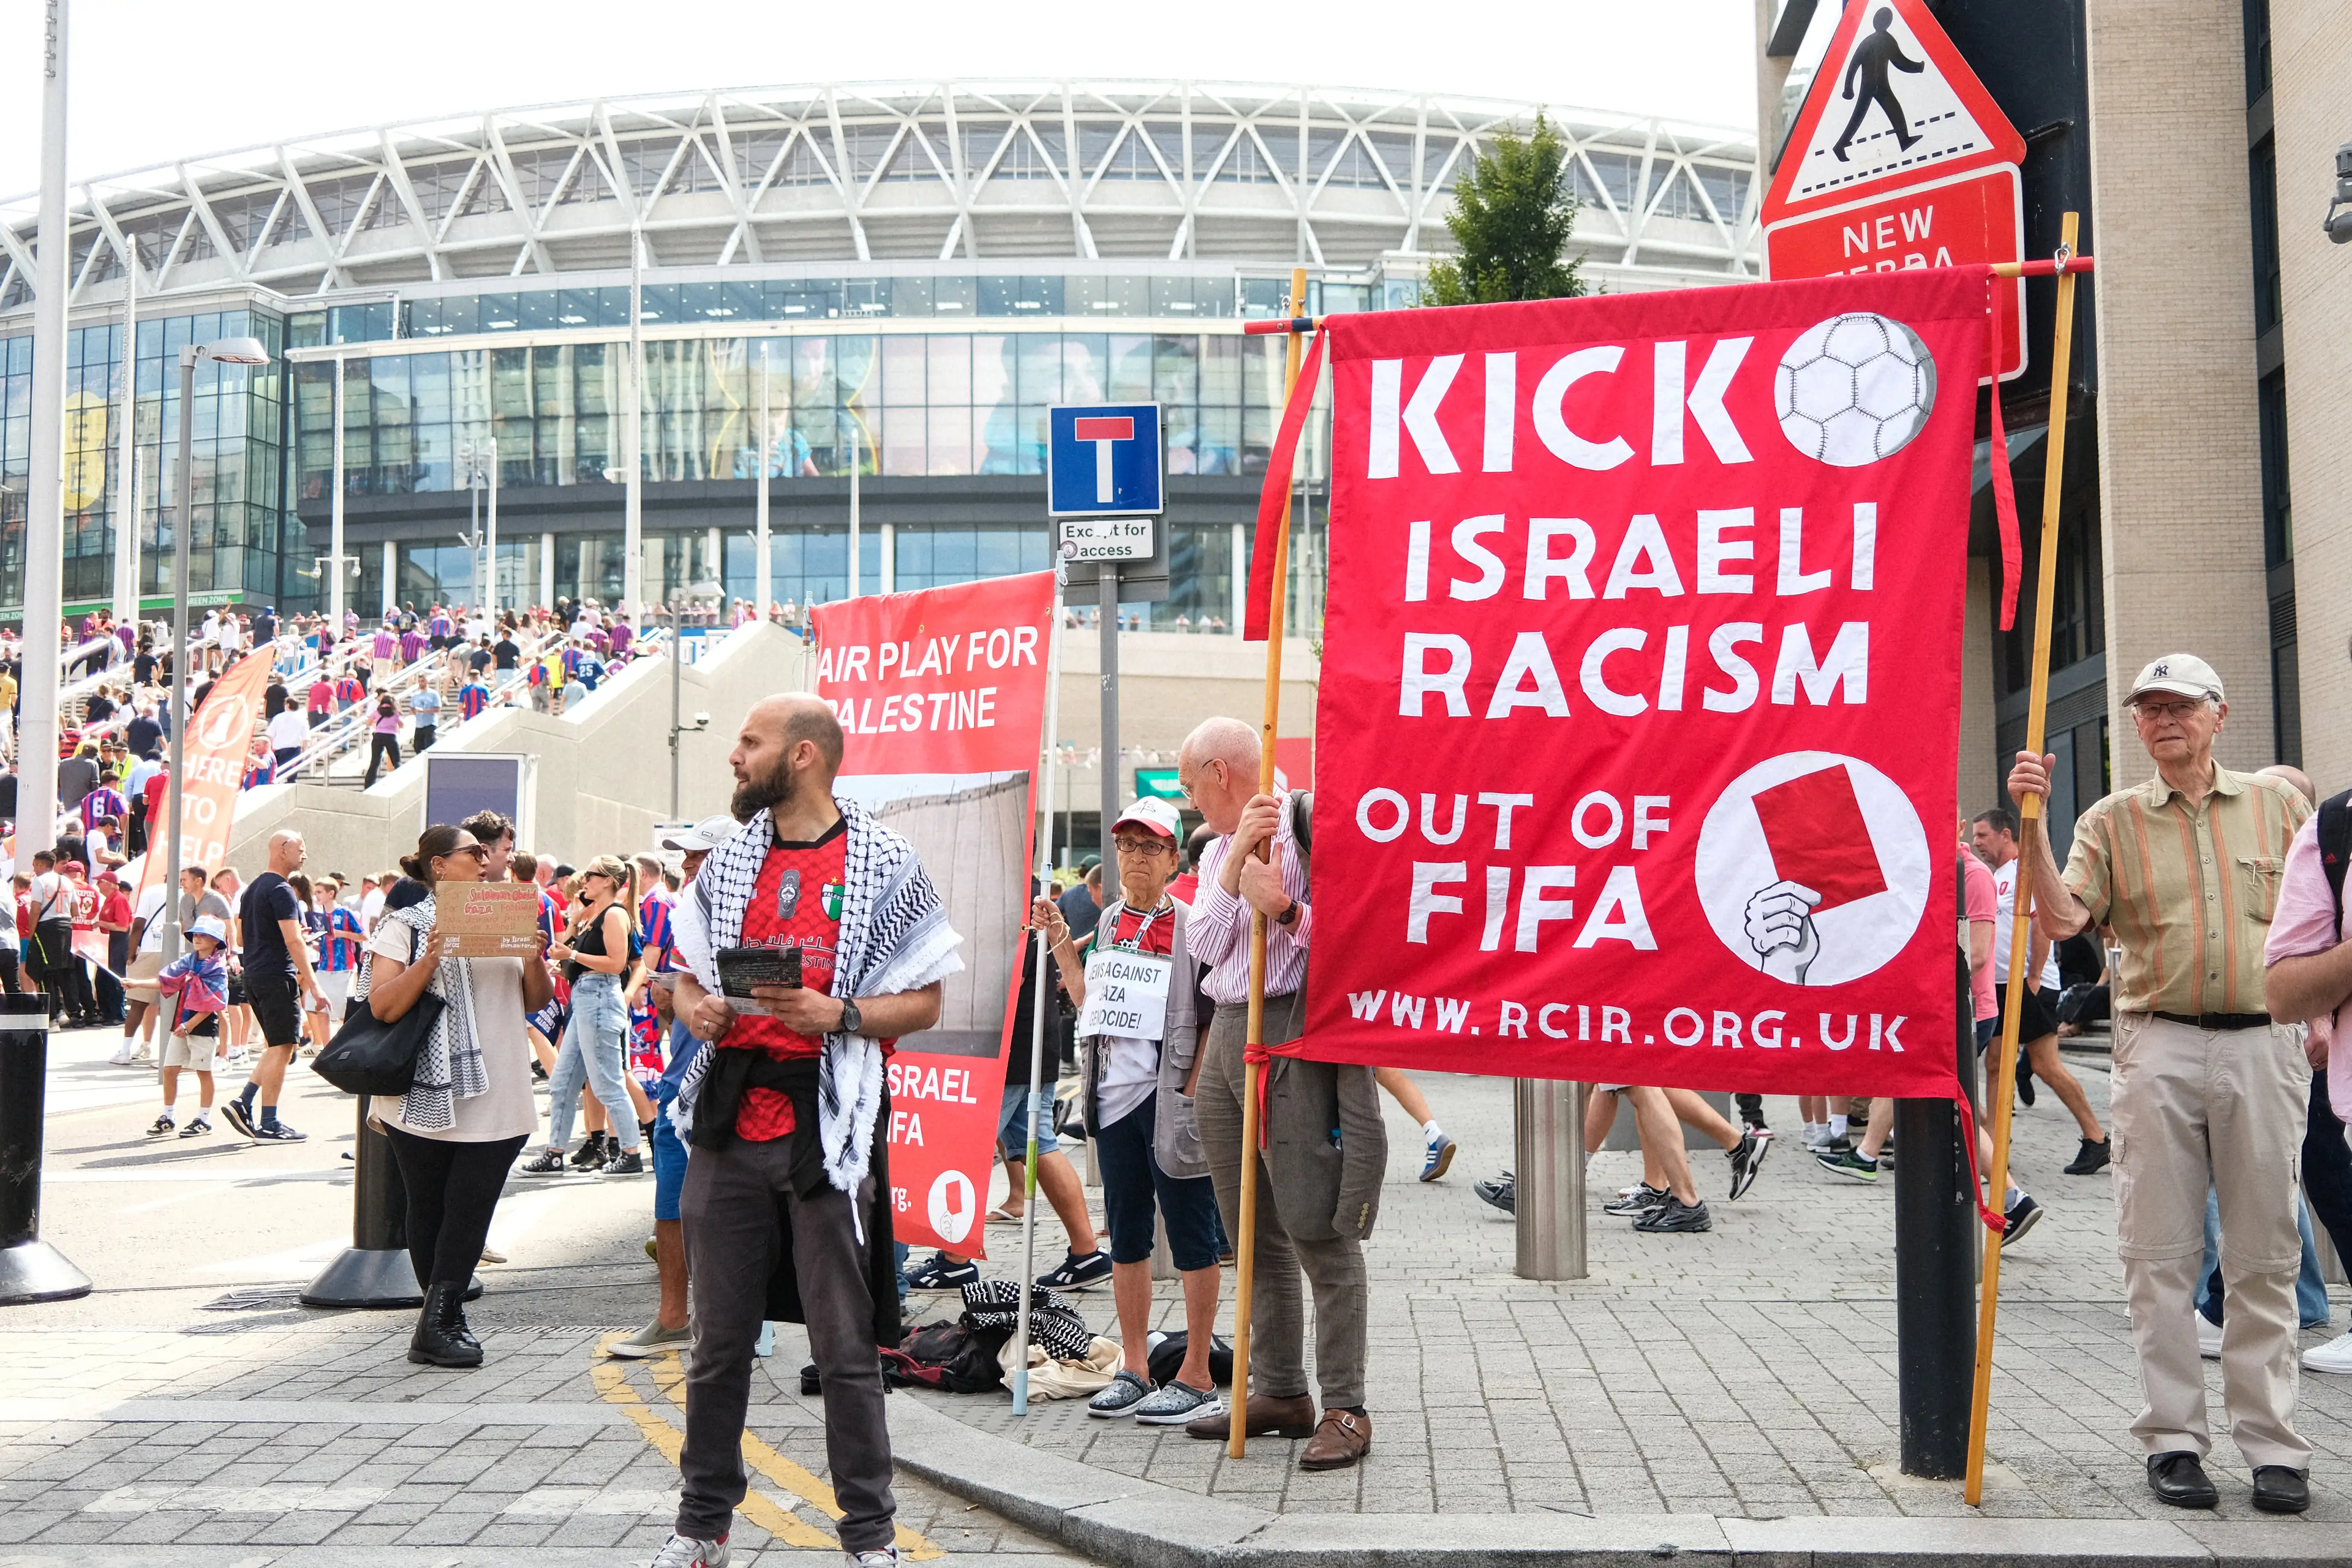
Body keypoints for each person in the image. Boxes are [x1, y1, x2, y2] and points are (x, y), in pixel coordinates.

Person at [654, 694, 959, 1568]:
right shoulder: (727, 863)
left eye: (750, 742)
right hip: (726, 1126)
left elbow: (930, 999)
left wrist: (841, 1012)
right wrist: (697, 1010)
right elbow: (680, 979)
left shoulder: (887, 861)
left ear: (805, 757)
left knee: (846, 1348)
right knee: (716, 1346)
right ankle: (701, 1526)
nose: (734, 756)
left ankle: (870, 1537)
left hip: (827, 1130)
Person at [2008, 653, 2313, 1513]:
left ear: (2221, 714)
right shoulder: (2110, 820)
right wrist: (2032, 822)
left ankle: (2275, 1448)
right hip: (2158, 1043)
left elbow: (2323, 915)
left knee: (2263, 1254)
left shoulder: (2278, 804)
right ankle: (2173, 1440)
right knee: (2159, 1255)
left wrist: (2325, 1014)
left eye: (2180, 705)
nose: (2163, 719)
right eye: (2148, 709)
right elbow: (2066, 919)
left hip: (2264, 1041)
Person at [1174, 716, 1382, 1470]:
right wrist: (1233, 878)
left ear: (1221, 772)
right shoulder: (1215, 850)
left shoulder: (1306, 824)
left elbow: (1358, 941)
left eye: (1189, 781)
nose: (1187, 797)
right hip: (1233, 1027)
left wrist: (1287, 908)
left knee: (1316, 1224)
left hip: (1294, 1027)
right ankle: (1282, 1388)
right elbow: (1202, 949)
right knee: (1251, 1233)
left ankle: (1347, 1403)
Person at [1035, 797, 1224, 1426]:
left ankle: (1197, 1371)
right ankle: (1136, 1366)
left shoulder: (1195, 926)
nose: (1136, 857)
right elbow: (1092, 1004)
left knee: (1194, 1236)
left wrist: (1195, 1088)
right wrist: (1062, 942)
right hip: (1112, 1103)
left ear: (1173, 859)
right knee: (1128, 1236)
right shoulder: (1113, 920)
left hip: (1170, 1102)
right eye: (1127, 846)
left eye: (1150, 847)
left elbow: (1216, 1014)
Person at [359, 824, 554, 1368]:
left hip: (498, 1089)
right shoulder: (405, 924)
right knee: (429, 1206)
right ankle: (440, 1316)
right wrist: (430, 959)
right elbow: (382, 1007)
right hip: (423, 1092)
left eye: (486, 852)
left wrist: (535, 957)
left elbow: (533, 1000)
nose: (487, 858)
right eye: (474, 852)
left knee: (471, 1206)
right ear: (440, 866)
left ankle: (439, 1319)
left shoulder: (506, 911)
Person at [607, 813, 739, 1362]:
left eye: (698, 855)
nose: (687, 864)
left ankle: (729, 1323)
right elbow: (686, 1003)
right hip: (678, 1087)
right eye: (685, 855)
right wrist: (671, 1001)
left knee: (720, 1214)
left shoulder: (745, 921)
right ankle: (672, 1319)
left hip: (723, 1090)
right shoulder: (690, 918)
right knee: (671, 1208)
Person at [1972, 808, 2110, 1172]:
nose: (1977, 842)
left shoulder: (2022, 872)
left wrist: (2032, 978)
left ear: (2006, 835)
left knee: (2045, 1066)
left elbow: (2040, 927)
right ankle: (1993, 1147)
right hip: (2003, 985)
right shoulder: (1998, 875)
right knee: (1995, 1064)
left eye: (1983, 835)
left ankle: (2096, 1138)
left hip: (2030, 985)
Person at [519, 854, 646, 1176]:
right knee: (562, 1081)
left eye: (591, 875)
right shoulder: (595, 915)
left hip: (601, 998)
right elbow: (571, 955)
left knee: (607, 1082)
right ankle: (555, 1152)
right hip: (586, 998)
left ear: (607, 881)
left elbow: (617, 964)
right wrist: (573, 929)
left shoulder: (615, 915)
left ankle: (631, 1152)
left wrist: (572, 954)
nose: (585, 880)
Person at [221, 830, 326, 1142]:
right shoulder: (282, 890)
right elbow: (293, 940)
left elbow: (240, 938)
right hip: (277, 975)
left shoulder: (252, 889)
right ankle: (268, 1121)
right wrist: (316, 986)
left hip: (254, 975)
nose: (304, 855)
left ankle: (245, 1103)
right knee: (283, 1047)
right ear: (283, 849)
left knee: (280, 1046)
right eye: (300, 848)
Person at [149, 914, 230, 1138]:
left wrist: (189, 1026)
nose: (198, 938)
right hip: (181, 1022)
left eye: (204, 935)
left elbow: (214, 1004)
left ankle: (204, 1119)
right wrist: (134, 983)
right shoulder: (188, 961)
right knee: (169, 1070)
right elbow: (166, 980)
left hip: (201, 1027)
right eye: (196, 934)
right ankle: (168, 1116)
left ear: (216, 941)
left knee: (203, 1072)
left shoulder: (217, 968)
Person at [363, 694, 402, 787]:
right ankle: (400, 781)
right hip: (391, 737)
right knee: (396, 761)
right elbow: (401, 724)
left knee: (375, 762)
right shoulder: (395, 712)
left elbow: (368, 723)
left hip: (378, 736)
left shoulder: (378, 712)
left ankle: (369, 784)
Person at [410, 677, 442, 753]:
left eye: (423, 681)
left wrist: (424, 711)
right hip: (419, 725)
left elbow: (437, 709)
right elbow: (412, 708)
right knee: (417, 747)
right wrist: (413, 711)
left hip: (430, 724)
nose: (421, 683)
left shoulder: (434, 694)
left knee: (429, 746)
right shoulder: (415, 695)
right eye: (419, 681)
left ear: (427, 681)